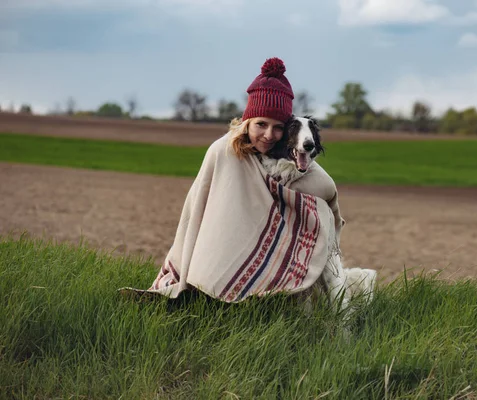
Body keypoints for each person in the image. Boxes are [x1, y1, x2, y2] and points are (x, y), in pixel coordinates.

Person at [121, 57, 344, 302]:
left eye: (278, 127)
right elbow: (198, 210)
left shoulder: (285, 161)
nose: (269, 135)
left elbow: (324, 190)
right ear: (248, 121)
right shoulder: (222, 152)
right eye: (261, 124)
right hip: (221, 243)